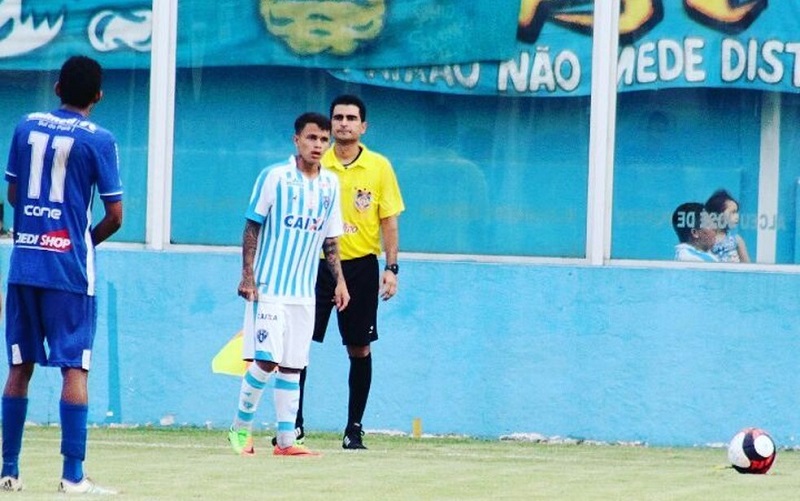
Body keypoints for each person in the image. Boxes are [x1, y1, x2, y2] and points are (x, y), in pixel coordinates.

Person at [1, 55, 123, 494]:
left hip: (25, 263)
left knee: (19, 365)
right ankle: (72, 476)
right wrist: (81, 240)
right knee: (75, 368)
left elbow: (15, 193)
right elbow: (116, 215)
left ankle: (8, 471)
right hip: (69, 270)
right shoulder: (100, 139)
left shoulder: (24, 125)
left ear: (56, 88)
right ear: (98, 96)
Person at [227, 112, 349, 457]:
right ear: (297, 140)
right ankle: (239, 429)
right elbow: (252, 227)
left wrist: (339, 281)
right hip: (269, 288)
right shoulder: (275, 177)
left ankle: (285, 441)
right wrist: (247, 276)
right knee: (266, 360)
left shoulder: (330, 185)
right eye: (312, 138)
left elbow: (330, 240)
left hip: (303, 292)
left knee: (294, 365)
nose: (318, 145)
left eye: (324, 140)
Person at [291, 94, 405, 450]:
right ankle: (293, 424)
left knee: (359, 348)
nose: (343, 123)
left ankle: (353, 428)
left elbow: (389, 220)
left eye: (351, 118)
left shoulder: (379, 167)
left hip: (360, 268)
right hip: (314, 266)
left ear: (363, 126)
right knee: (297, 346)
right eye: (337, 117)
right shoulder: (315, 160)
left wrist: (391, 268)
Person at [705, 189, 750, 263]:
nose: (737, 216)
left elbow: (747, 268)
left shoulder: (736, 240)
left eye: (737, 212)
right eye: (733, 212)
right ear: (718, 214)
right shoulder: (704, 240)